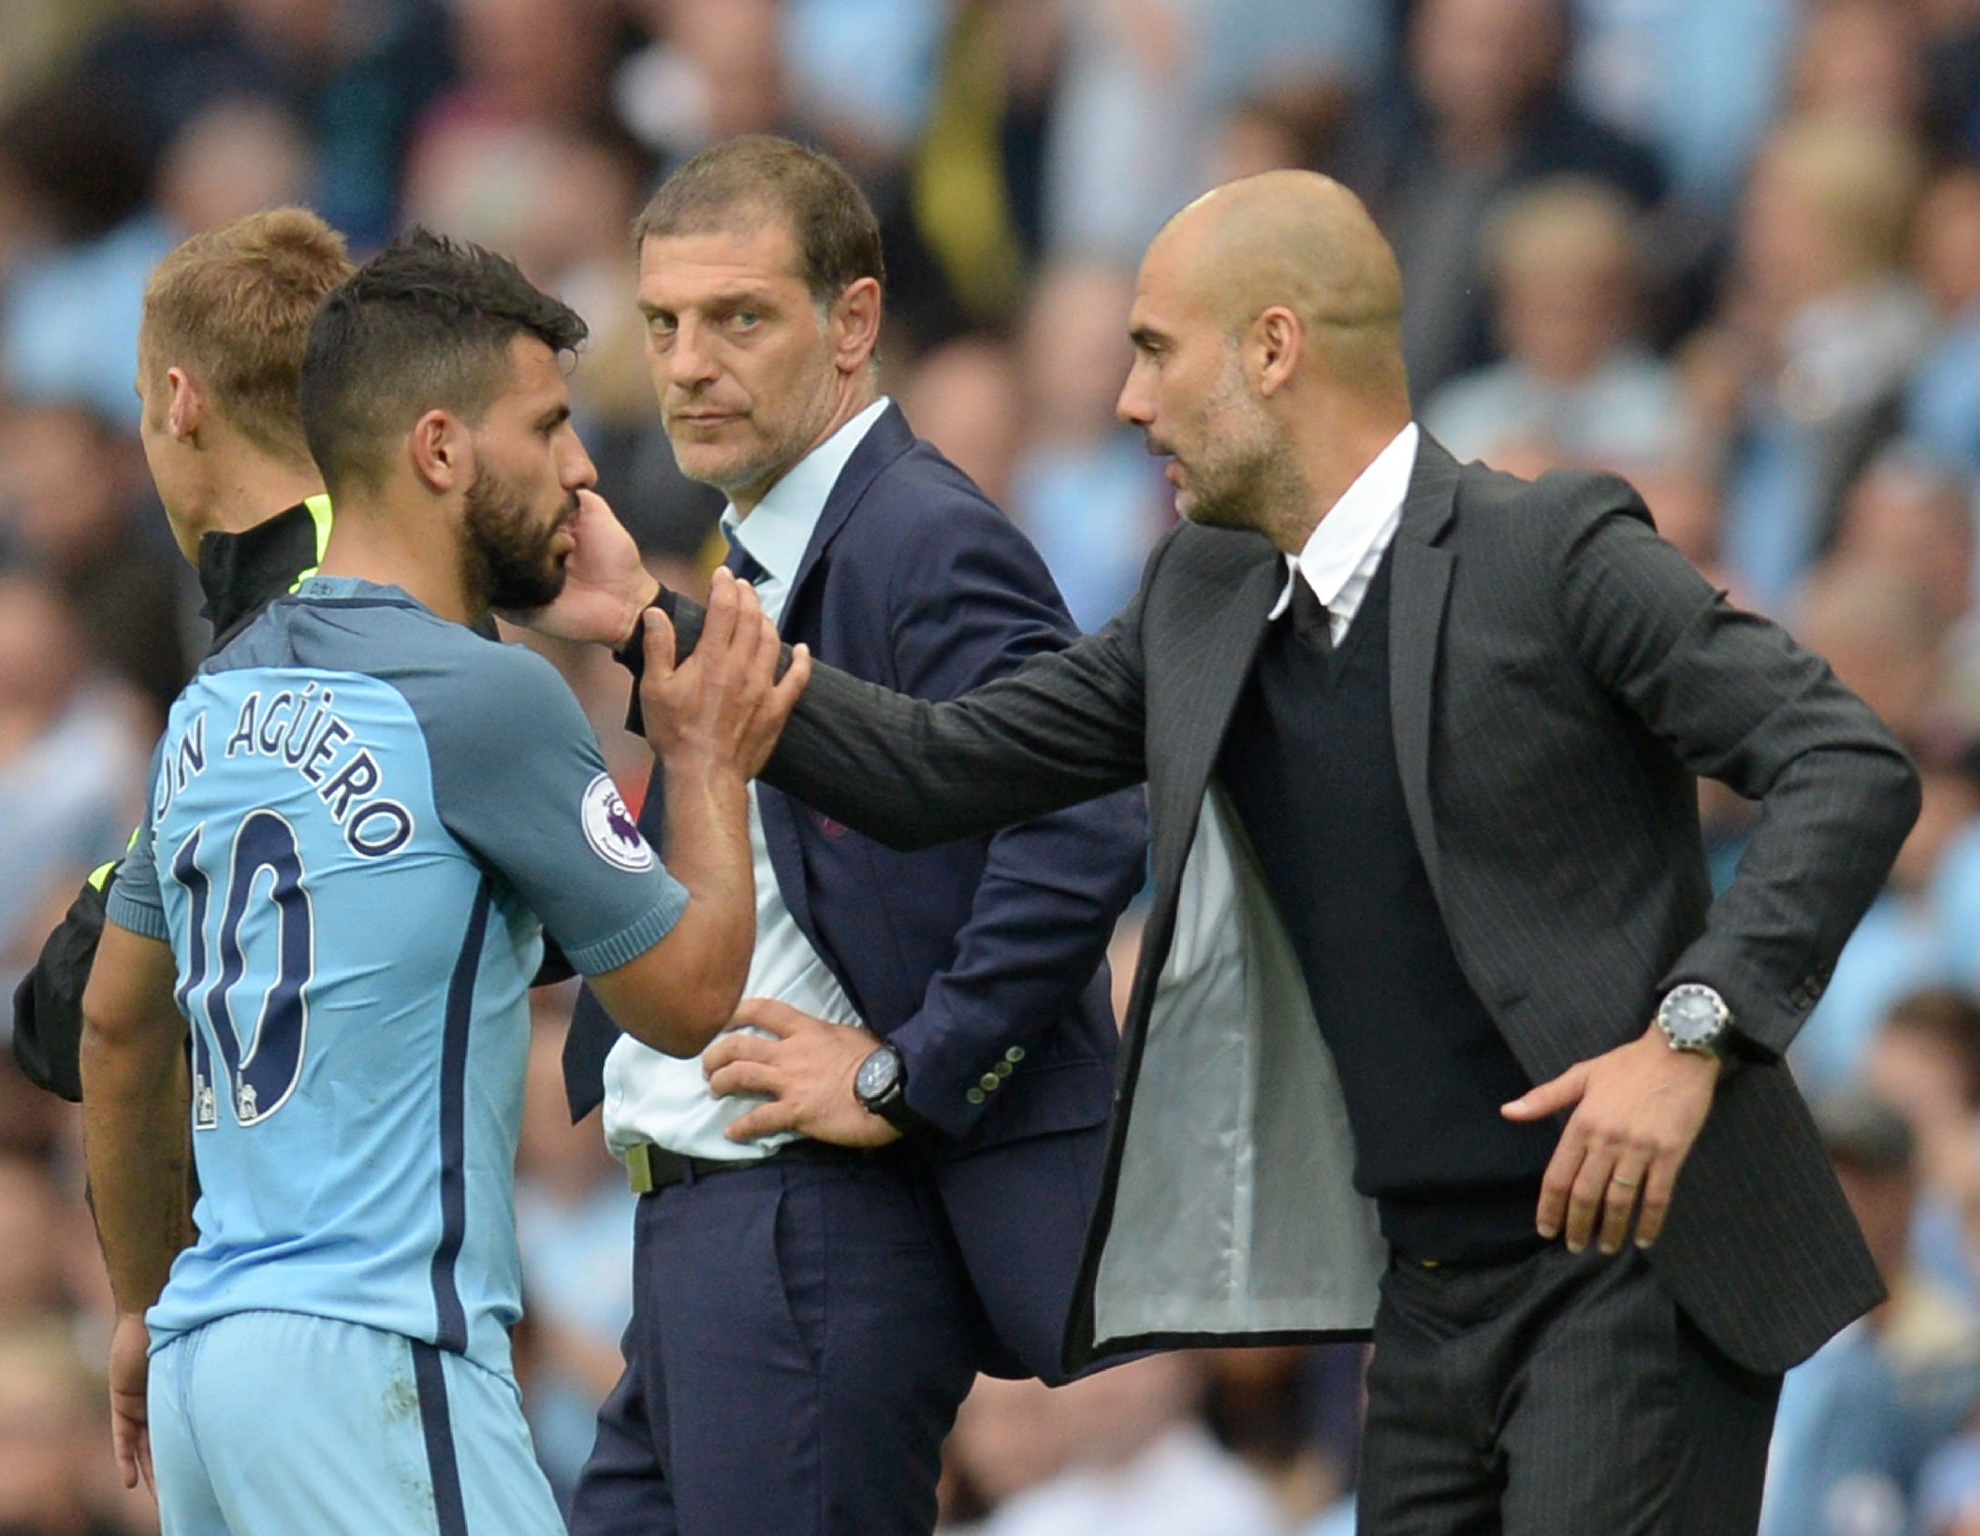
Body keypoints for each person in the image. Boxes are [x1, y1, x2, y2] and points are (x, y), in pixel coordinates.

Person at [596, 168, 1921, 1533]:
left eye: (1158, 350)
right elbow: (943, 769)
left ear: (1275, 349)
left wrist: (1691, 1035)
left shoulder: (1551, 549)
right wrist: (642, 614)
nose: (1128, 401)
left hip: (1631, 1262)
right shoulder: (1207, 590)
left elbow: (1847, 762)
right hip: (1422, 1290)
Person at [78, 230, 808, 1535]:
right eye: (550, 425)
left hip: (205, 1374)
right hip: (376, 1359)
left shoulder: (213, 696)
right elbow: (692, 1000)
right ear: (440, 451)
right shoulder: (486, 704)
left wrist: (140, 1304)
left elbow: (120, 1026)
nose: (583, 465)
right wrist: (705, 759)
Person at [558, 134, 1146, 1536]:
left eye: (739, 318)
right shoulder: (767, 541)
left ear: (855, 324)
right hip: (717, 1230)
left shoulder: (918, 536)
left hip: (806, 1233)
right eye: (664, 325)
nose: (690, 362)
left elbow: (1089, 808)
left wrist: (908, 1074)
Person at [12, 206, 355, 1104]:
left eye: (137, 403)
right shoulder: (372, 578)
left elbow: (63, 1015)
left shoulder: (296, 631)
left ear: (180, 400)